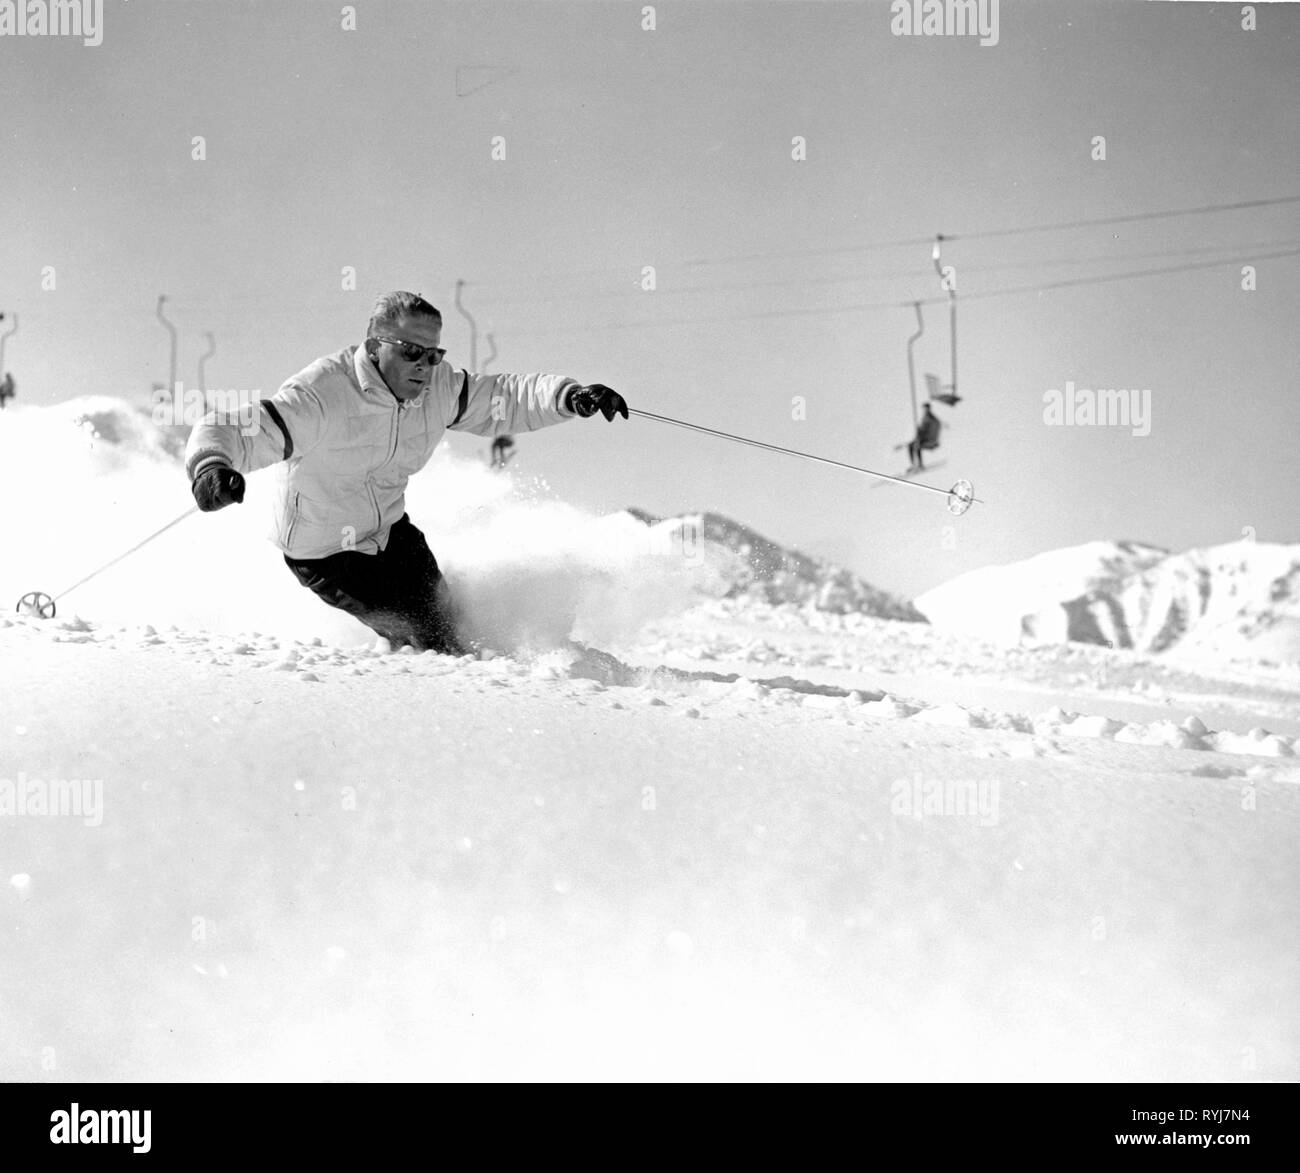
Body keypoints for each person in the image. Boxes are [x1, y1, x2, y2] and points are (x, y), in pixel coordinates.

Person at [184, 291, 628, 654]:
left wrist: (569, 396)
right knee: (425, 635)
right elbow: (237, 429)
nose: (424, 365)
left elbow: (504, 398)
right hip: (325, 553)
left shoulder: (437, 388)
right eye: (412, 352)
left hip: (391, 533)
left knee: (450, 621)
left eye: (434, 354)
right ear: (375, 348)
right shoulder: (323, 392)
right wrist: (211, 467)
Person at [906, 402, 941, 472]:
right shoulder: (926, 418)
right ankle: (915, 464)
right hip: (924, 439)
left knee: (916, 445)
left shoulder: (931, 419)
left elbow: (929, 431)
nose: (924, 410)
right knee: (912, 445)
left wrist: (921, 434)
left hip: (929, 440)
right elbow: (922, 430)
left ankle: (918, 464)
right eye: (924, 409)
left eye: (926, 409)